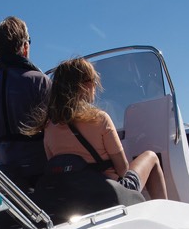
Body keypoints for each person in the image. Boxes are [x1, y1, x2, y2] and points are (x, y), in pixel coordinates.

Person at [33, 57, 168, 204]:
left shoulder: (49, 128)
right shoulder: (100, 119)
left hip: (74, 196)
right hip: (110, 193)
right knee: (151, 157)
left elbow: (55, 168)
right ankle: (165, 212)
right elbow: (122, 169)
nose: (95, 85)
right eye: (93, 81)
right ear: (84, 86)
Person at [0, 17, 51, 193]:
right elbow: (58, 137)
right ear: (25, 46)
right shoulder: (40, 82)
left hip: (12, 187)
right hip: (44, 181)